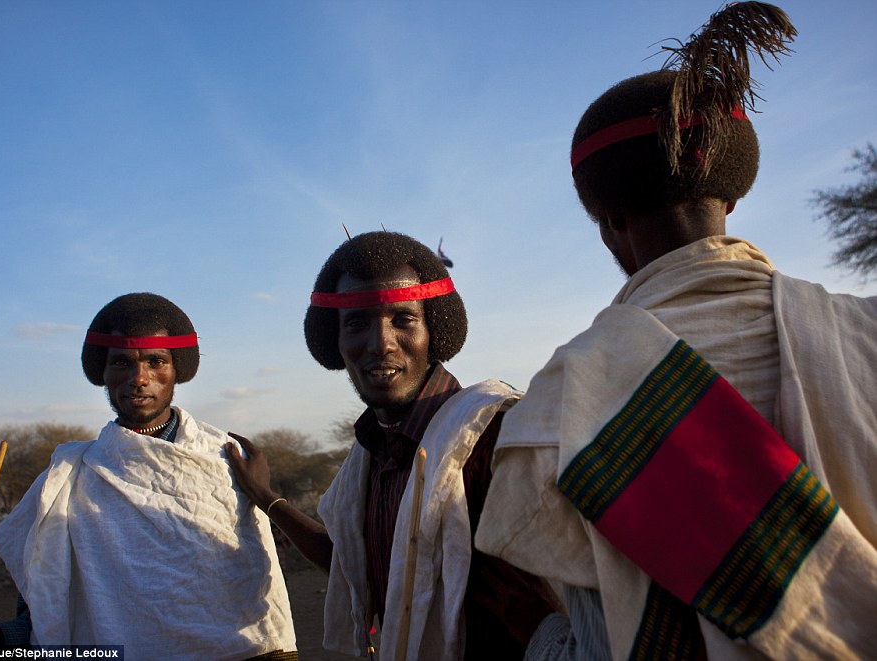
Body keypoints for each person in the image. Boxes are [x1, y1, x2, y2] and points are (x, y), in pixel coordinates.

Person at [475, 3, 877, 660]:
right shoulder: (866, 332)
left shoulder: (558, 405)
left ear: (608, 220)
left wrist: (539, 635)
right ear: (735, 196)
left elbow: (602, 643)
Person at [226, 231, 555, 660]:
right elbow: (353, 564)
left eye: (403, 319)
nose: (381, 343)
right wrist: (266, 498)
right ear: (336, 342)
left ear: (434, 330)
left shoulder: (494, 436)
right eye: (357, 323)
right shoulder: (368, 456)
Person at [0, 293, 297, 660]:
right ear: (102, 372)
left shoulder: (227, 459)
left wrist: (265, 496)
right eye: (121, 364)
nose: (139, 378)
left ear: (175, 369)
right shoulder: (68, 477)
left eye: (155, 362)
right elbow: (49, 615)